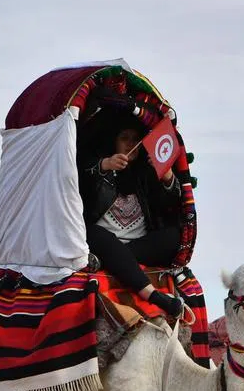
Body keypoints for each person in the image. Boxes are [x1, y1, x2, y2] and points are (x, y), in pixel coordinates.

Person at [79, 113, 185, 318]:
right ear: (114, 142)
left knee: (174, 236)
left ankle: (108, 260)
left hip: (137, 246)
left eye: (135, 140)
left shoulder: (146, 174)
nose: (130, 144)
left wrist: (167, 177)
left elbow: (171, 206)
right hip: (103, 240)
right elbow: (77, 177)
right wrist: (105, 165)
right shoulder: (99, 168)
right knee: (94, 233)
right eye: (124, 138)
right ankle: (153, 295)